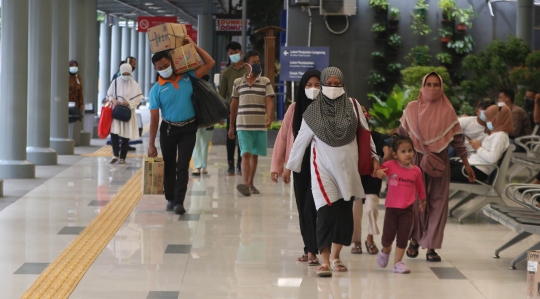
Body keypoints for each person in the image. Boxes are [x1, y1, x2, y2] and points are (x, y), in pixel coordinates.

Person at [281, 67, 380, 277]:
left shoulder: (352, 106)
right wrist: (289, 168)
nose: (333, 88)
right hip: (322, 170)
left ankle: (336, 256)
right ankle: (324, 260)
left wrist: (375, 158)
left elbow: (365, 134)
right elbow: (300, 143)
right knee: (325, 213)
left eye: (337, 84)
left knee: (344, 215)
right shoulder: (313, 111)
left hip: (348, 170)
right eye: (329, 84)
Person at [399, 72, 475, 262]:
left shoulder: (447, 111)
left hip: (439, 163)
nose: (432, 89)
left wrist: (467, 164)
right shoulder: (411, 108)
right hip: (415, 161)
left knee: (438, 204)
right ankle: (415, 239)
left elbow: (458, 142)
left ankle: (431, 245)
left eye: (436, 85)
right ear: (422, 86)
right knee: (416, 202)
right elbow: (401, 136)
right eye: (429, 84)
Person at [148, 36, 215, 215]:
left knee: (183, 165)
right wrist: (150, 143)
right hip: (168, 129)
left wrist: (193, 47)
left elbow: (210, 62)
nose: (163, 69)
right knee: (169, 165)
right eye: (159, 68)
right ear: (155, 69)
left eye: (165, 65)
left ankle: (179, 202)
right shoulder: (156, 90)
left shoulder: (188, 77)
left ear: (171, 61)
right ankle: (170, 198)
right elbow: (154, 119)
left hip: (188, 128)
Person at [271, 69, 321, 265]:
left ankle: (314, 249)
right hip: (299, 165)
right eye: (309, 85)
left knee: (312, 207)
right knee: (303, 208)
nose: (313, 89)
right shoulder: (294, 109)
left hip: (321, 166)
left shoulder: (327, 108)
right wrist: (279, 166)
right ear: (302, 87)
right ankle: (309, 248)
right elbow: (283, 138)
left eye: (317, 85)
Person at [375, 135, 426, 274]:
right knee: (387, 237)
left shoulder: (416, 170)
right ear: (395, 154)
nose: (408, 154)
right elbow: (377, 171)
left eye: (410, 150)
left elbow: (420, 187)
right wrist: (378, 172)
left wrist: (423, 201)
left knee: (403, 237)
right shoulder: (390, 166)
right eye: (403, 151)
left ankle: (398, 263)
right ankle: (385, 251)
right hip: (392, 209)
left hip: (408, 210)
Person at [228, 51, 274, 196]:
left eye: (258, 62)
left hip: (259, 124)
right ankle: (246, 185)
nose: (257, 65)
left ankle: (251, 182)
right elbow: (233, 105)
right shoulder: (238, 82)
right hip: (243, 125)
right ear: (247, 65)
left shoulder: (265, 81)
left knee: (255, 155)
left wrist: (269, 115)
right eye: (254, 62)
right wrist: (231, 125)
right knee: (246, 154)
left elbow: (269, 99)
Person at [351, 105, 387, 255]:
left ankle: (370, 238)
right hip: (354, 177)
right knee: (355, 211)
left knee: (372, 208)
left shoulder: (376, 136)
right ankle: (356, 241)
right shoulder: (349, 136)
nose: (362, 114)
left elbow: (385, 149)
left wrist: (384, 158)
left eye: (364, 111)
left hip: (372, 177)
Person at [450, 105, 513, 183]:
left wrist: (478, 148)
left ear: (497, 119)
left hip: (478, 170)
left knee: (439, 173)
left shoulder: (500, 136)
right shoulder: (497, 134)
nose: (487, 122)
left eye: (489, 119)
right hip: (474, 165)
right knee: (441, 165)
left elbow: (492, 158)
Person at [219, 42, 248, 176]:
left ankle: (240, 164)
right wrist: (220, 114)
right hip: (232, 111)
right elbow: (222, 94)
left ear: (241, 52)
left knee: (243, 139)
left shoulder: (248, 70)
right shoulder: (226, 72)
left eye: (235, 52)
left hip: (247, 110)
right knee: (230, 138)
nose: (233, 55)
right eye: (231, 53)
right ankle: (230, 163)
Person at [107, 64, 143, 164]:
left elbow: (138, 99)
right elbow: (108, 95)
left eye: (128, 74)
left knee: (126, 135)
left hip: (127, 113)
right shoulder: (115, 82)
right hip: (117, 112)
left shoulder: (134, 84)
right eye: (124, 74)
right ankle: (115, 154)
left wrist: (129, 103)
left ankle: (123, 157)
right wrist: (113, 100)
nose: (126, 75)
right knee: (114, 133)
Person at [192, 75, 215, 176]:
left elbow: (216, 105)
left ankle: (202, 166)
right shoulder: (192, 88)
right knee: (197, 144)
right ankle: (198, 166)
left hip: (208, 121)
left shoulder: (211, 90)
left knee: (203, 144)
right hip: (195, 121)